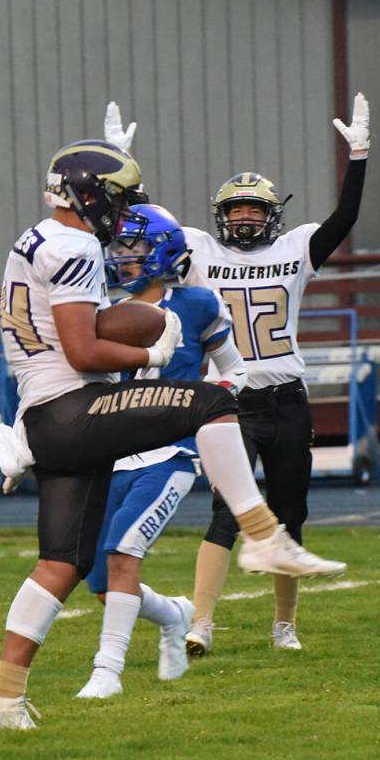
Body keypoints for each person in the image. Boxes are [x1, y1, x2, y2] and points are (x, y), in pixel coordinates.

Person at [0, 138, 346, 730]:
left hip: (44, 414)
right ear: (90, 193)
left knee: (61, 565)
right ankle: (261, 532)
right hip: (71, 412)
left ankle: (2, 697)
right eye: (118, 199)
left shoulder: (37, 237)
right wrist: (151, 348)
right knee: (210, 403)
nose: (122, 216)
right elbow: (83, 349)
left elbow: (79, 326)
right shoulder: (74, 247)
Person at [104, 94, 369, 655]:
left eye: (254, 208)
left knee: (290, 513)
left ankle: (284, 624)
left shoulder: (298, 247)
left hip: (287, 399)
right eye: (236, 209)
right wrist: (120, 172)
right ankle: (201, 624)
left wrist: (360, 157)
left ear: (272, 214)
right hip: (229, 401)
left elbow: (344, 219)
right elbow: (148, 228)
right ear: (219, 215)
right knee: (227, 513)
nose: (244, 217)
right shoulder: (198, 250)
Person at [78, 203, 247, 699]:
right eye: (120, 249)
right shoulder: (102, 310)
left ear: (162, 254)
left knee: (123, 552)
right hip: (112, 453)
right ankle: (174, 614)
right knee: (100, 581)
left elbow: (235, 370)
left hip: (168, 454)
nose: (123, 259)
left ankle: (106, 672)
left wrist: (205, 403)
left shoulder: (196, 304)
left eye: (134, 249)